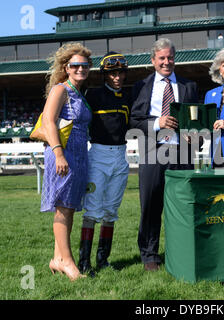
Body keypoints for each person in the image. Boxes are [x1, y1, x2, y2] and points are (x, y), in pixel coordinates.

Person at [130, 38, 198, 271]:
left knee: (183, 204)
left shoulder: (189, 86)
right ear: (153, 60)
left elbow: (197, 120)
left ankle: (181, 249)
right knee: (150, 203)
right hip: (152, 151)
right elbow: (134, 121)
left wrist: (193, 132)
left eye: (170, 57)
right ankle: (150, 254)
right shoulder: (141, 86)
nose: (166, 62)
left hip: (183, 152)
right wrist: (158, 122)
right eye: (162, 58)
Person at [41, 42, 92, 281]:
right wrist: (59, 154)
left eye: (85, 65)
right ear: (66, 67)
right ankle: (69, 263)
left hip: (79, 154)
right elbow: (48, 122)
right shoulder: (60, 90)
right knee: (63, 208)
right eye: (76, 65)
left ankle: (56, 259)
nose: (81, 69)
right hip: (63, 154)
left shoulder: (79, 92)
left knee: (69, 208)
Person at [78, 52, 131, 274]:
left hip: (121, 156)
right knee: (92, 210)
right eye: (112, 73)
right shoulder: (92, 94)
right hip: (98, 155)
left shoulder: (130, 96)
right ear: (104, 75)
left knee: (111, 211)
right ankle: (83, 262)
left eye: (120, 73)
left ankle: (103, 259)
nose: (117, 77)